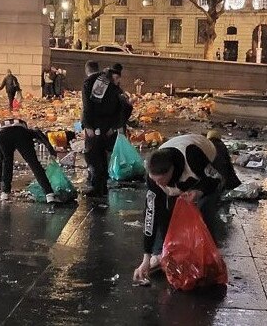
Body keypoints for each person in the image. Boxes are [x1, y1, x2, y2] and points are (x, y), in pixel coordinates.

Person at [133, 134, 224, 282]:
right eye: (155, 180)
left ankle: (207, 256)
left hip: (207, 159)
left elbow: (216, 179)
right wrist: (146, 257)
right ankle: (160, 252)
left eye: (161, 180)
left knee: (205, 209)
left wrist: (198, 191)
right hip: (180, 175)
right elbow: (151, 214)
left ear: (171, 170)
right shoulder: (154, 179)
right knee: (162, 209)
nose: (159, 184)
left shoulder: (193, 158)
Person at [81, 63, 126, 197]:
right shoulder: (114, 87)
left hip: (95, 125)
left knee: (93, 155)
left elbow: (88, 106)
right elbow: (123, 108)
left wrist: (87, 125)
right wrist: (115, 127)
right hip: (108, 127)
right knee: (103, 156)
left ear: (87, 71)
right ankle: (103, 186)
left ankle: (96, 187)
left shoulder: (90, 83)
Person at [0, 119, 61, 203]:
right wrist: (51, 150)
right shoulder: (24, 128)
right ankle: (49, 194)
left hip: (3, 135)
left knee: (7, 162)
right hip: (21, 135)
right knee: (34, 163)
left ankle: (5, 193)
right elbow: (38, 133)